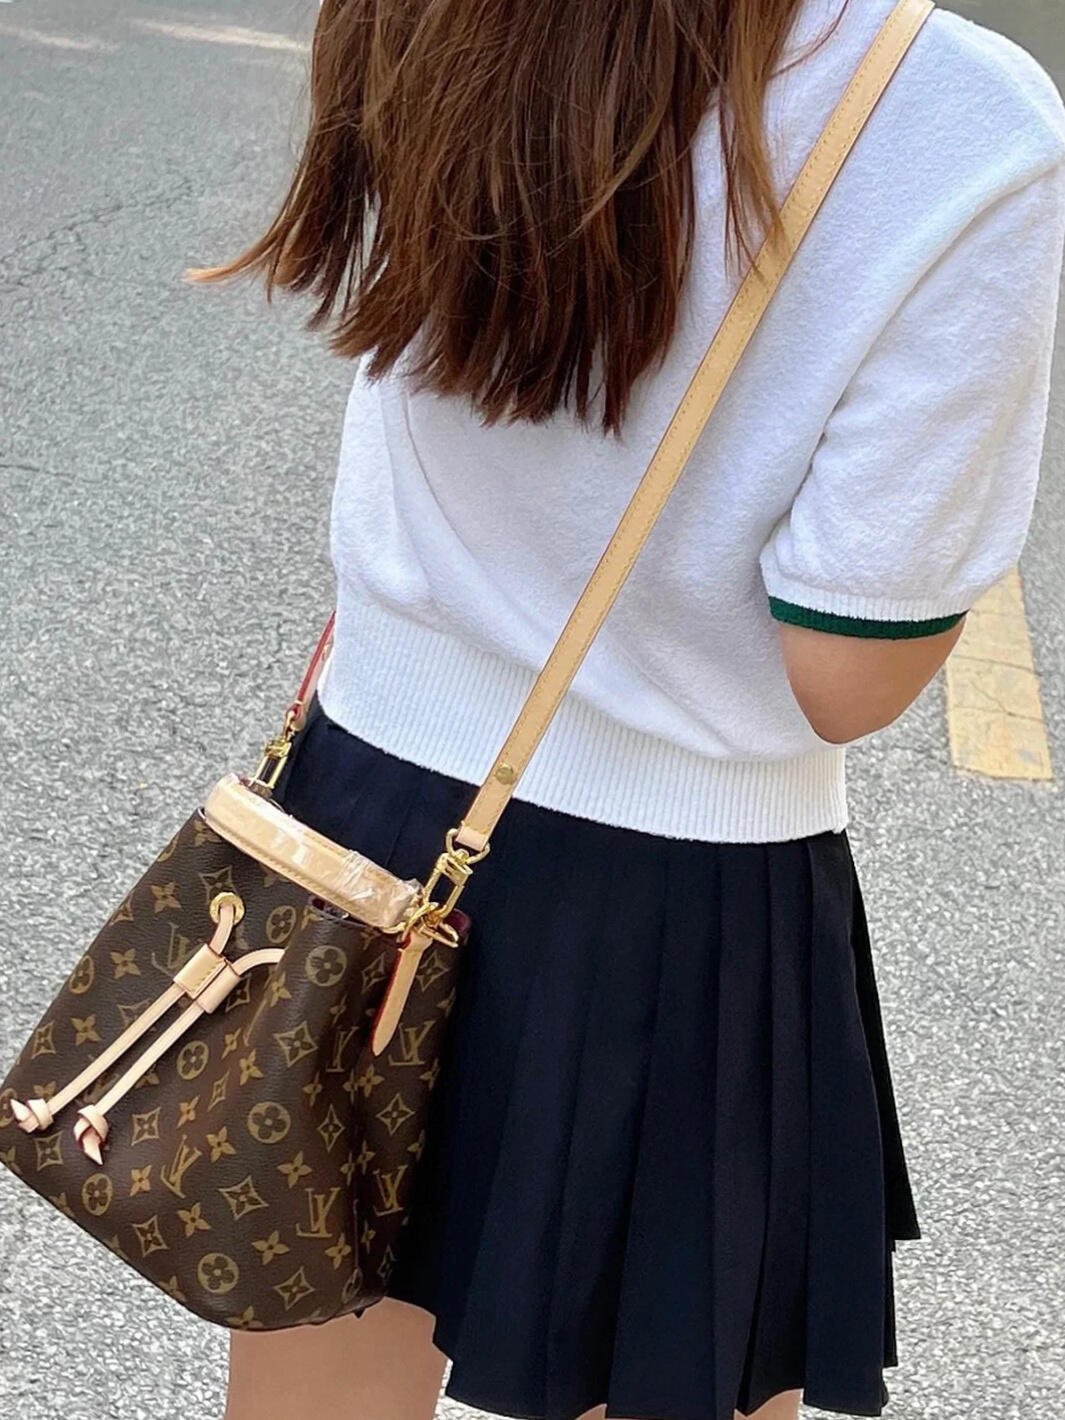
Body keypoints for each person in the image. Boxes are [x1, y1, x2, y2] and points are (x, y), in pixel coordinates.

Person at [195, 0, 1065, 1416]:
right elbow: (849, 672)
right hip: (671, 903)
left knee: (321, 1372)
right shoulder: (950, 107)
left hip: (355, 814)